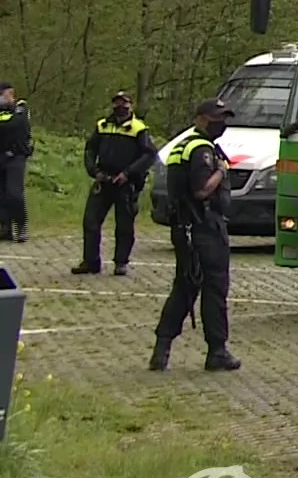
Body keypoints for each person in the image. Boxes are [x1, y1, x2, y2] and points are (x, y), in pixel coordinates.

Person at [150, 99, 241, 372]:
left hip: (185, 227)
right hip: (204, 227)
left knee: (185, 286)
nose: (221, 123)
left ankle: (162, 346)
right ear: (201, 119)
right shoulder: (200, 149)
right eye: (216, 118)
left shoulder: (183, 145)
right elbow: (201, 190)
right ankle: (217, 350)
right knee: (214, 289)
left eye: (224, 117)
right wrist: (221, 172)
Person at [73, 91, 159, 277]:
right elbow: (91, 149)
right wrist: (94, 171)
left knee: (124, 224)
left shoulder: (139, 128)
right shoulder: (102, 125)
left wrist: (128, 174)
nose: (120, 106)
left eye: (124, 103)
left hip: (126, 183)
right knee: (91, 221)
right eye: (117, 103)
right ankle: (91, 261)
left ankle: (121, 262)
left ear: (131, 105)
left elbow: (149, 155)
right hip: (103, 180)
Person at [0, 82, 31, 242]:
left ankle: (21, 224)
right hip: (1, 156)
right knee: (2, 195)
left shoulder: (21, 108)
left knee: (14, 193)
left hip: (16, 155)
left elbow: (16, 125)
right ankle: (5, 228)